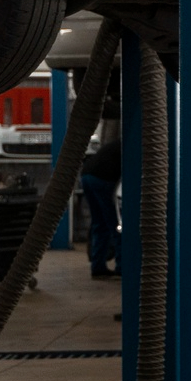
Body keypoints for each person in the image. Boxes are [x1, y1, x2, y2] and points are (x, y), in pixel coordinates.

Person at [79, 97, 122, 280]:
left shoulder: (117, 144)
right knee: (117, 224)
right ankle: (122, 265)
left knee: (100, 224)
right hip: (102, 179)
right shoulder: (134, 147)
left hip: (87, 175)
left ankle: (98, 267)